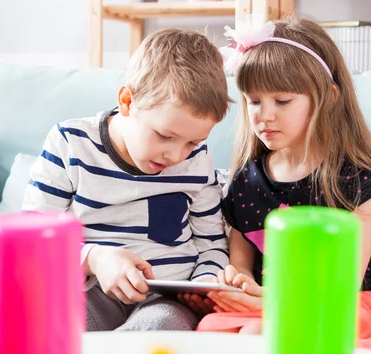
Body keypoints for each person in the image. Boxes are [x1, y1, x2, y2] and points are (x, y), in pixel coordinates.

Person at [198, 15, 371, 334]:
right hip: (264, 304)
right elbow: (240, 263)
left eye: (282, 100)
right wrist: (240, 283)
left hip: (341, 303)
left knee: (267, 332)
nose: (264, 115)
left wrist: (275, 303)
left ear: (329, 98)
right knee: (213, 327)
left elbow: (345, 282)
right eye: (253, 101)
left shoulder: (358, 184)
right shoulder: (247, 180)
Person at [22, 28, 232, 331]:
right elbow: (32, 236)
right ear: (127, 101)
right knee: (50, 324)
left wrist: (203, 287)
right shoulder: (70, 143)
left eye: (192, 143)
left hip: (167, 299)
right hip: (89, 290)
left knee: (156, 330)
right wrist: (94, 259)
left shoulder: (197, 161)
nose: (175, 155)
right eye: (164, 135)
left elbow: (212, 245)